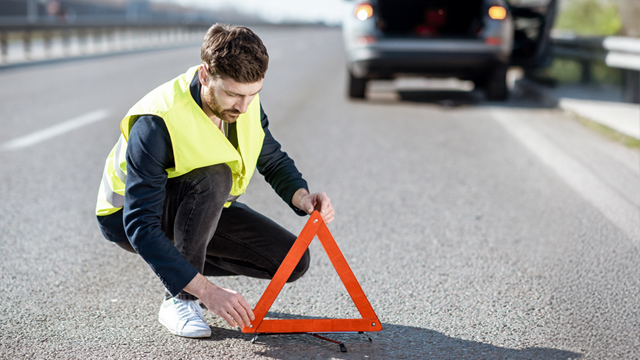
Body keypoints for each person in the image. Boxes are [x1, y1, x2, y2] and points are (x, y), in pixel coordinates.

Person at [95, 24, 334, 338]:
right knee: (215, 175)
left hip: (200, 206)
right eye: (234, 94)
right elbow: (140, 225)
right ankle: (180, 299)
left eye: (253, 94)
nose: (243, 106)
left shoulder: (244, 103)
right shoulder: (157, 121)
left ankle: (184, 276)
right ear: (205, 75)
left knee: (292, 261)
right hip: (127, 218)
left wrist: (302, 196)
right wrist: (206, 291)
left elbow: (270, 156)